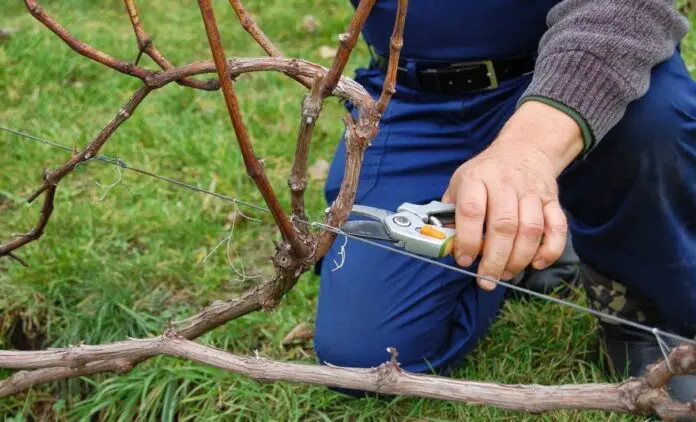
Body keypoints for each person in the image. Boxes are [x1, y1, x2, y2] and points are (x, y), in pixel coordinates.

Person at [313, 0, 696, 402]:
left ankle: (642, 311)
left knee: (654, 126)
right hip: (411, 100)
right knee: (361, 360)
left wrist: (529, 149)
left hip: (577, 69)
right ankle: (521, 236)